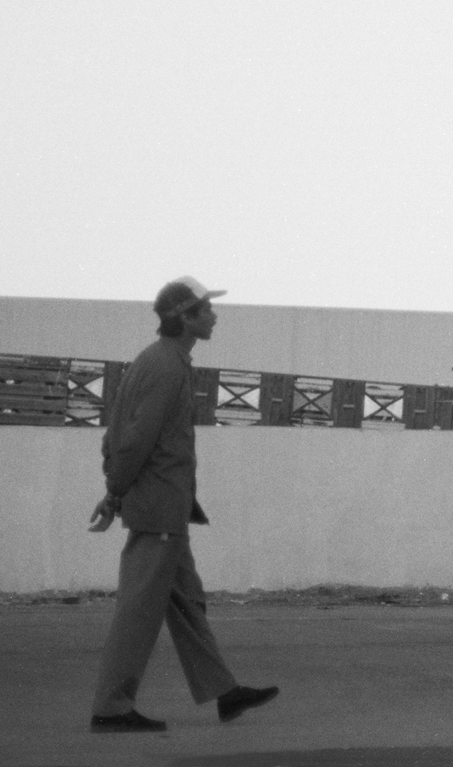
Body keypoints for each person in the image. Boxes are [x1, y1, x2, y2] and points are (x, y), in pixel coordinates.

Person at [87, 276, 279, 734]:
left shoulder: (160, 360)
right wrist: (115, 494)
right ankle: (111, 708)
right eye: (205, 309)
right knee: (138, 611)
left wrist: (116, 490)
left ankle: (225, 692)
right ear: (185, 319)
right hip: (158, 511)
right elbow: (132, 441)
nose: (214, 315)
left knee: (188, 604)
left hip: (165, 508)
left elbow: (118, 432)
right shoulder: (167, 367)